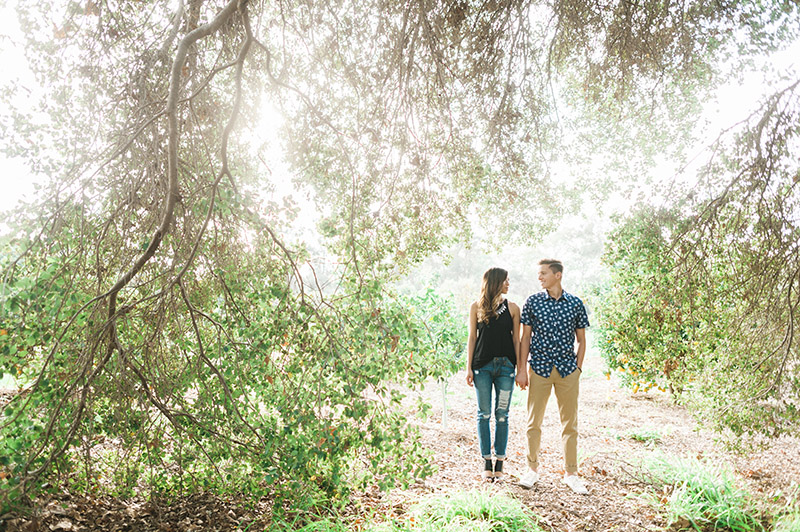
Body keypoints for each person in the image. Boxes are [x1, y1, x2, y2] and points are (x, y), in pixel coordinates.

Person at [517, 259, 590, 494]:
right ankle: (532, 470)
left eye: (543, 274)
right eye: (538, 274)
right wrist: (521, 369)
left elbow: (581, 340)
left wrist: (578, 369)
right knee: (533, 422)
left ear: (557, 275)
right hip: (539, 368)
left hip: (568, 371)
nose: (540, 278)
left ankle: (571, 473)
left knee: (570, 424)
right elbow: (525, 338)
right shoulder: (533, 302)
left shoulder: (576, 304)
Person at [465, 267, 524, 482]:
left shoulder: (514, 308)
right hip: (482, 366)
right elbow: (472, 338)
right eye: (506, 280)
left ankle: (500, 462)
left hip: (506, 368)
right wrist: (468, 367)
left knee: (502, 415)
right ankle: (486, 461)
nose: (509, 284)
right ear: (496, 282)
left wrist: (520, 369)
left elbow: (516, 340)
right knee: (484, 414)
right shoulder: (476, 307)